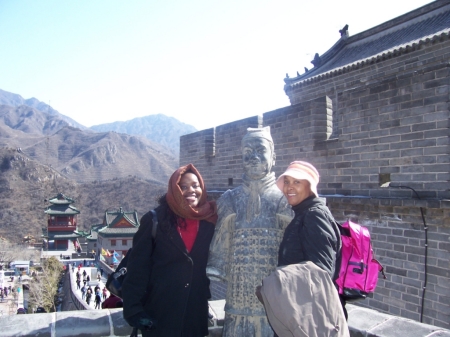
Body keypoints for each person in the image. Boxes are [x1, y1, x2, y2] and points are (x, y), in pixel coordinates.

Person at [207, 127, 293, 337]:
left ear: (273, 156)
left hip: (274, 302)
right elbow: (219, 252)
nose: (253, 156)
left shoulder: (284, 201)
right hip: (237, 299)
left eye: (260, 150)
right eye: (247, 151)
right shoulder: (230, 199)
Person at [122, 163, 218, 337]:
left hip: (194, 314)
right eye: (184, 187)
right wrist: (134, 311)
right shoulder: (155, 220)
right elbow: (137, 268)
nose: (191, 190)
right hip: (159, 313)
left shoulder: (208, 222)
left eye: (196, 186)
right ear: (174, 190)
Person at [257, 161, 346, 336]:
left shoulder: (315, 215)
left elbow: (322, 273)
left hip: (309, 321)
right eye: (287, 182)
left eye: (297, 182)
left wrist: (275, 283)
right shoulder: (303, 214)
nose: (289, 187)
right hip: (301, 315)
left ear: (310, 185)